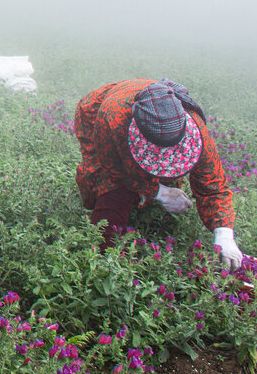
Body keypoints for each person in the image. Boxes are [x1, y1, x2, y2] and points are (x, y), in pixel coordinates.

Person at [74, 78, 245, 268]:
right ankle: (104, 256)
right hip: (97, 113)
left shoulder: (196, 129)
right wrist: (160, 193)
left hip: (140, 119)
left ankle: (152, 219)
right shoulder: (112, 119)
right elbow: (116, 169)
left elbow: (213, 185)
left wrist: (224, 235)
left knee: (160, 179)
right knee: (113, 187)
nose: (164, 160)